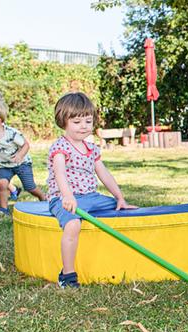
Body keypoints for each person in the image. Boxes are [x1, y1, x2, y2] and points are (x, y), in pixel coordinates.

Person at [46, 92, 135, 288]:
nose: (84, 126)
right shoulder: (60, 147)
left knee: (124, 210)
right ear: (63, 121)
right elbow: (59, 173)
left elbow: (104, 174)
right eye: (77, 122)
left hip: (91, 197)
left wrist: (119, 197)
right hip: (64, 198)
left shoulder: (92, 148)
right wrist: (67, 196)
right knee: (72, 225)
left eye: (88, 121)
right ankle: (67, 275)